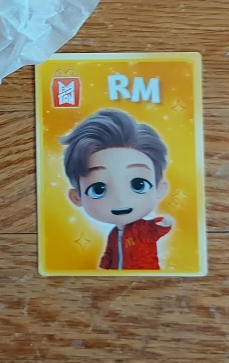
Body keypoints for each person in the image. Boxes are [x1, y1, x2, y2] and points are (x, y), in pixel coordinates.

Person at [62, 109, 172, 270]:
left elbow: (156, 229)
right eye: (98, 189)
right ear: (76, 197)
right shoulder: (113, 234)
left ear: (160, 189)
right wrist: (104, 267)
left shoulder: (142, 229)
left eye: (138, 185)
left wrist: (164, 223)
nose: (120, 199)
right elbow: (109, 253)